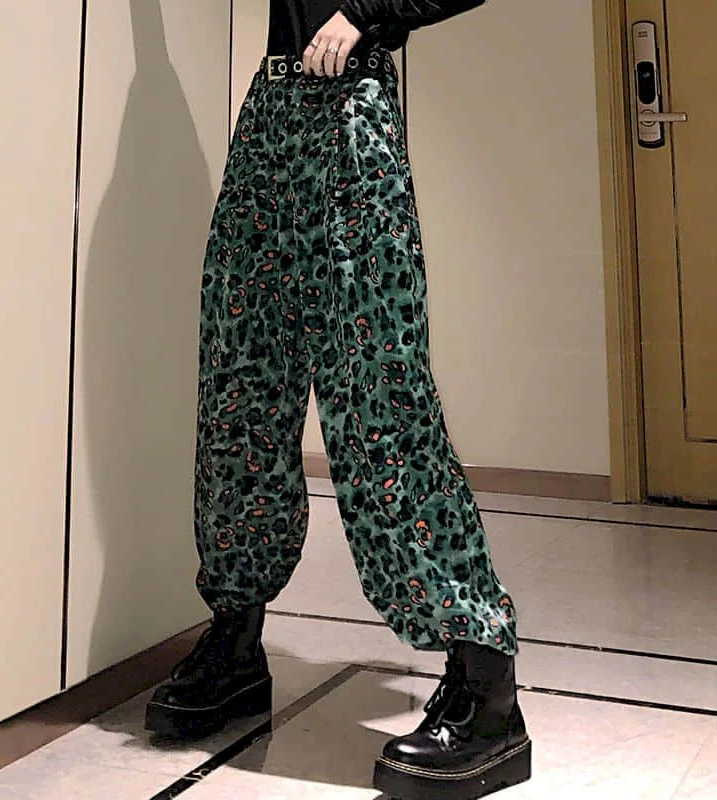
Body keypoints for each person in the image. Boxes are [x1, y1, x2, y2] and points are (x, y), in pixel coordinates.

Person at [145, 2, 531, 798]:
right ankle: (236, 637)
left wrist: (365, 9)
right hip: (270, 112)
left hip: (354, 113)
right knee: (241, 383)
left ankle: (485, 681)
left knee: (378, 399)